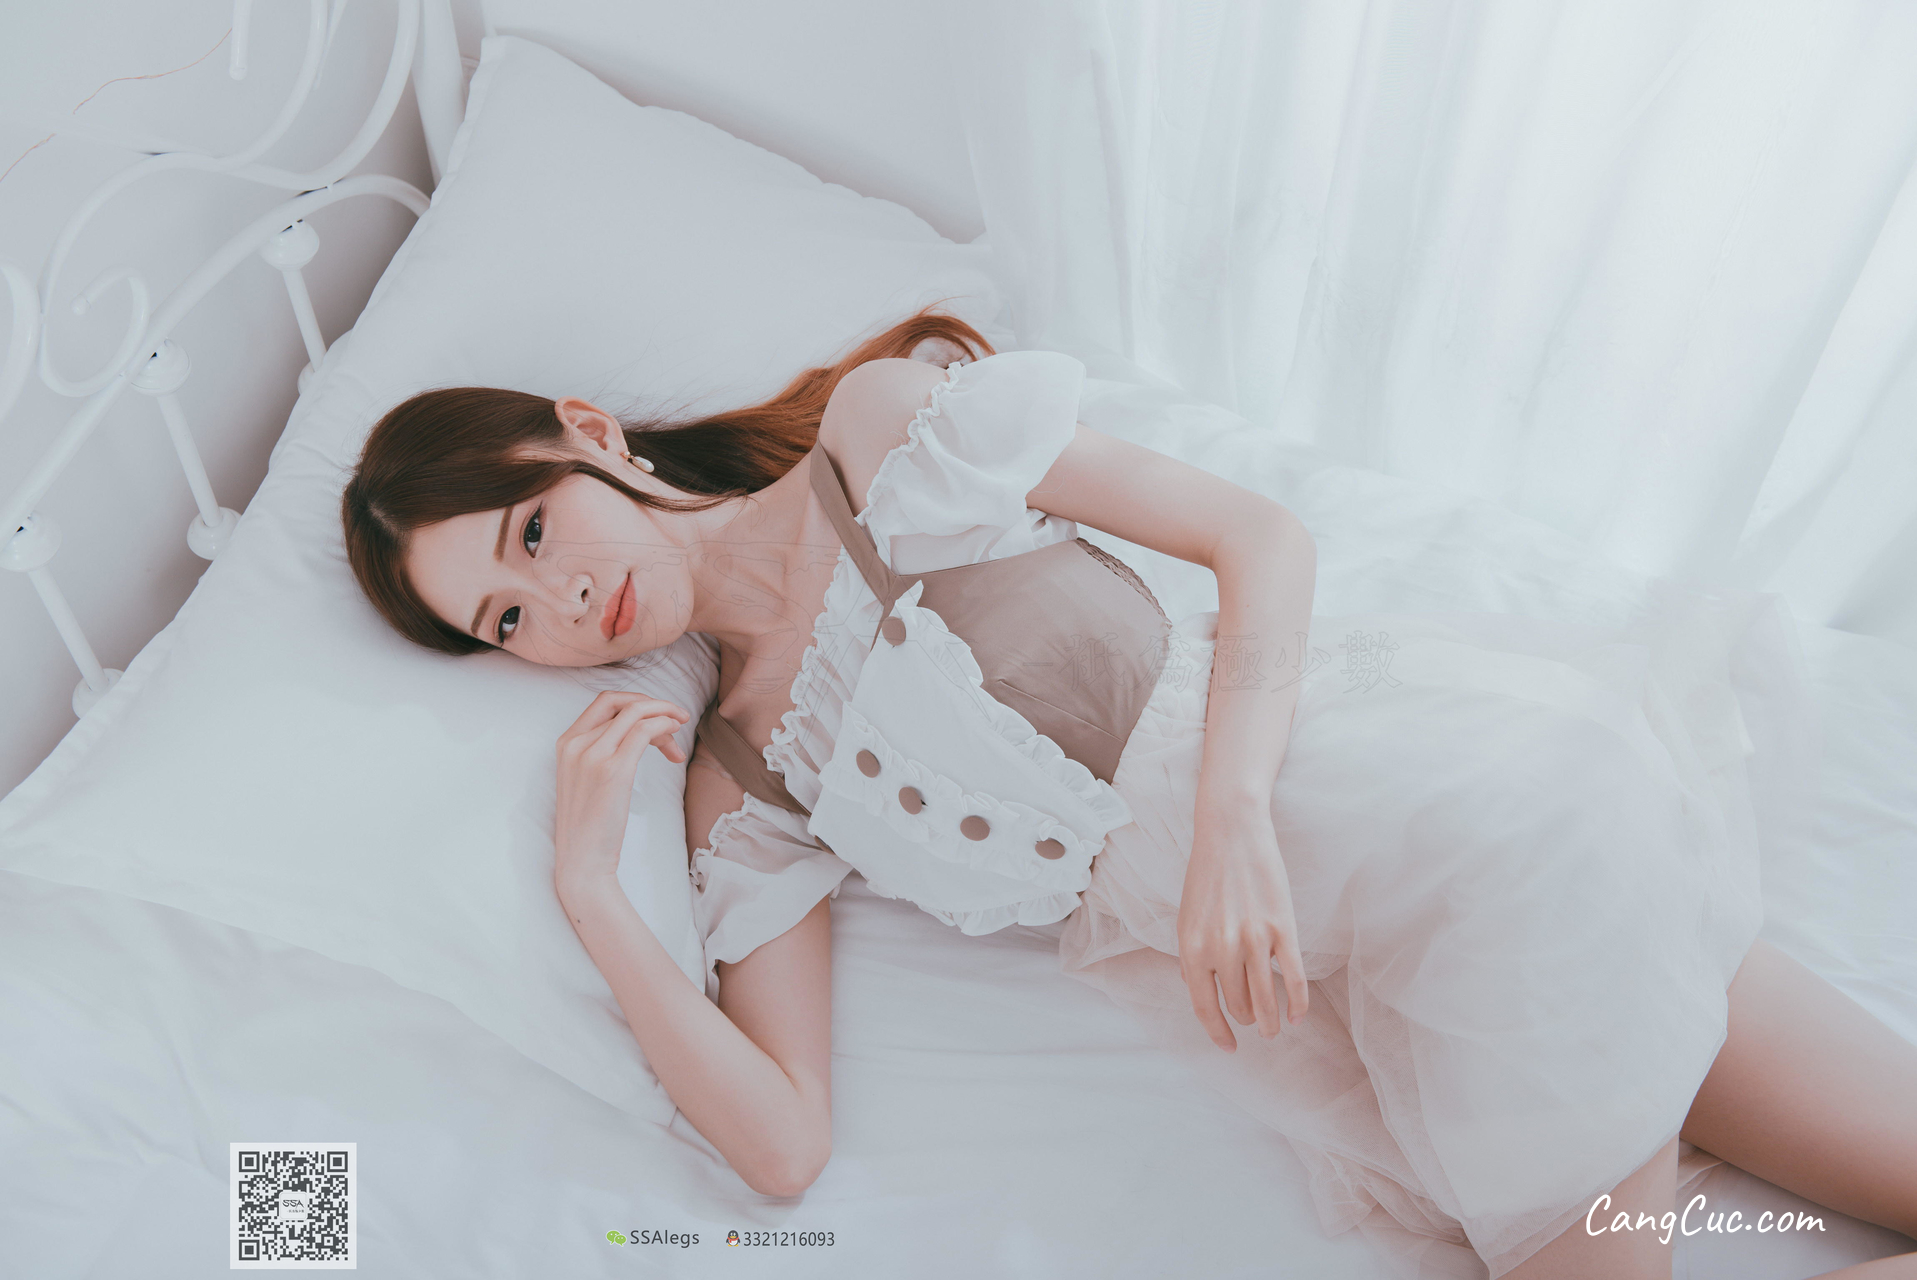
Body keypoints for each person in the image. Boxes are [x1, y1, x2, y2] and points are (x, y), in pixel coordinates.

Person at [341, 307, 1916, 1279]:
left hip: (1426, 793)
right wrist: (594, 900)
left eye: (532, 536)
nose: (560, 607)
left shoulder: (889, 437)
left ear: (588, 440)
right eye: (507, 621)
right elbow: (780, 1147)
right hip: (1353, 986)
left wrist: (1229, 822)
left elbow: (1256, 539)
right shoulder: (746, 785)